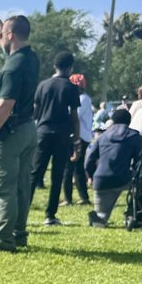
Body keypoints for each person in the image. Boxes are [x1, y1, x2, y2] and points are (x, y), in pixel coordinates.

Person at [0, 0, 40, 252]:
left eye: (4, 32)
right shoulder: (29, 57)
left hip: (9, 132)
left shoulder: (12, 67)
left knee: (3, 188)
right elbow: (0, 38)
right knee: (22, 186)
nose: (0, 35)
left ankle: (3, 240)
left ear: (11, 34)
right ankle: (19, 233)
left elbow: (5, 104)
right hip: (28, 129)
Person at [29, 51, 81, 226]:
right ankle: (50, 215)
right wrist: (77, 140)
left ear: (54, 66)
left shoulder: (42, 85)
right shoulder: (71, 87)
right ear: (70, 68)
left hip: (42, 131)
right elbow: (74, 116)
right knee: (57, 175)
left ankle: (23, 209)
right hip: (62, 134)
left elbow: (34, 112)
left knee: (35, 173)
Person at [86, 108, 142, 227]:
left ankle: (97, 218)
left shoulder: (102, 136)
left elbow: (89, 160)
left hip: (101, 179)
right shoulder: (135, 137)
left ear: (113, 121)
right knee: (140, 184)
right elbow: (140, 162)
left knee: (101, 217)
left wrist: (91, 176)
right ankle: (132, 213)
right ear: (129, 121)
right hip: (124, 178)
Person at [63, 73, 93, 207]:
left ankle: (68, 198)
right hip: (83, 135)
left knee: (69, 168)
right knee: (78, 169)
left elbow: (75, 115)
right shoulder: (85, 98)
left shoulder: (82, 99)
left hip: (78, 136)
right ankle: (83, 196)